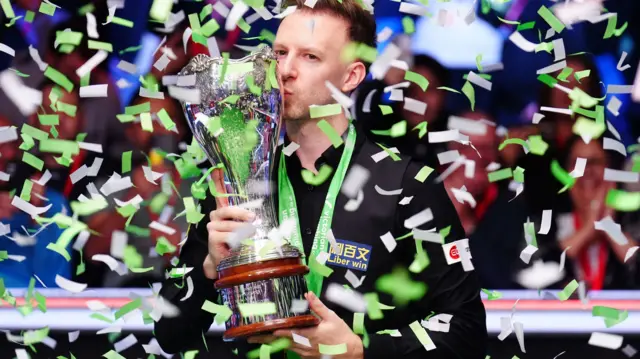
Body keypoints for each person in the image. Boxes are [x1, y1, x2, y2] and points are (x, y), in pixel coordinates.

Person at [155, 0, 487, 358]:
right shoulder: (236, 181)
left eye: (310, 57)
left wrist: (361, 350)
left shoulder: (407, 185)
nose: (284, 70)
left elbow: (467, 329)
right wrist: (208, 268)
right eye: (280, 52)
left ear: (351, 76)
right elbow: (169, 336)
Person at [522, 135, 640, 290]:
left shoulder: (632, 223)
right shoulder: (545, 223)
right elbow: (528, 277)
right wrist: (587, 230)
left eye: (595, 162)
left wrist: (609, 226)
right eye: (578, 163)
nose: (587, 171)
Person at [443, 111, 529, 289]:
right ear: (451, 150)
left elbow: (500, 280)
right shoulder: (421, 196)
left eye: (488, 148)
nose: (481, 157)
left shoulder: (511, 205)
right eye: (471, 148)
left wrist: (466, 222)